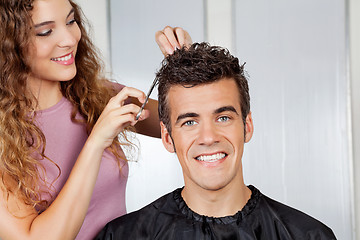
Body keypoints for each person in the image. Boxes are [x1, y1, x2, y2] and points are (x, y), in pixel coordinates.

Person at [95, 42, 337, 240]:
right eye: (189, 122)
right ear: (167, 138)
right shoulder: (123, 236)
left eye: (223, 117)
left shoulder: (308, 235)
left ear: (247, 126)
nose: (208, 138)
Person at [0, 0, 191, 239]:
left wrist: (186, 66)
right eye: (45, 32)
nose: (69, 39)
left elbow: (185, 124)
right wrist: (96, 141)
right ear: (8, 44)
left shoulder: (97, 97)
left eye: (71, 21)